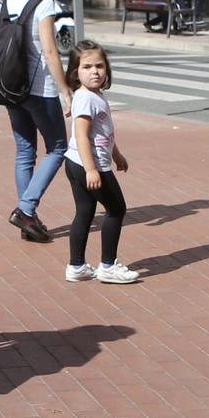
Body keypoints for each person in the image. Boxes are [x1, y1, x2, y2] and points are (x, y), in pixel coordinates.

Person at [1, 0, 72, 242]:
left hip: (11, 86)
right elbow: (50, 50)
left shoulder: (8, 1)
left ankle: (28, 219)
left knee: (25, 151)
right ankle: (26, 209)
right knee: (57, 147)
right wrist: (65, 90)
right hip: (39, 88)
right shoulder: (44, 3)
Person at [61, 41, 136, 285]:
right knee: (116, 209)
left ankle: (77, 266)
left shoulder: (93, 96)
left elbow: (101, 133)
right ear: (75, 73)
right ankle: (108, 265)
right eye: (87, 67)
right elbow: (81, 135)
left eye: (100, 66)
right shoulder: (86, 99)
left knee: (84, 212)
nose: (95, 71)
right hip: (89, 166)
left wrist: (117, 154)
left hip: (77, 163)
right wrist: (92, 169)